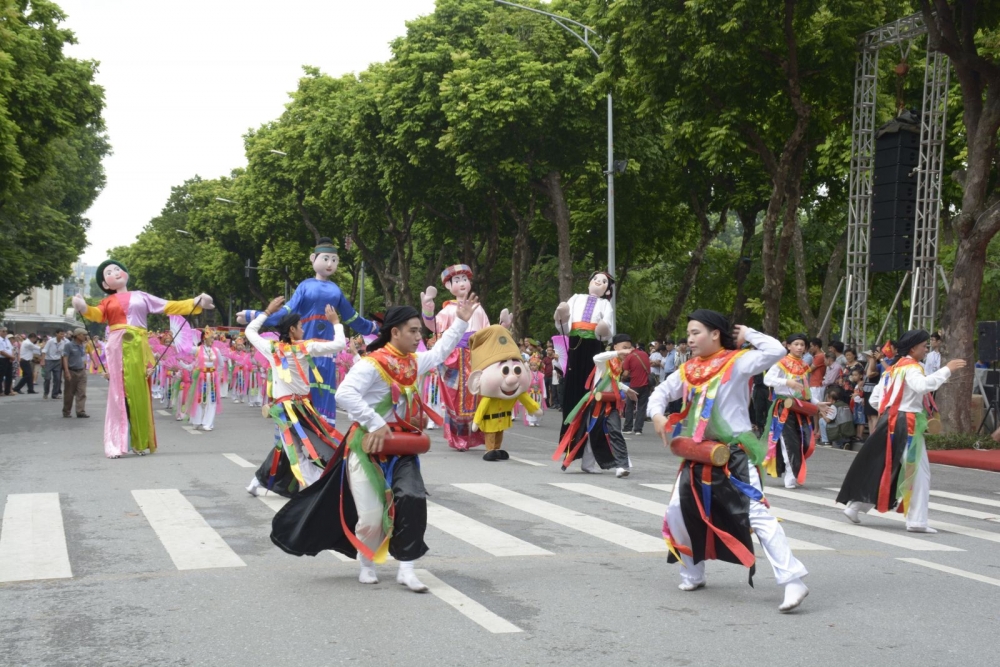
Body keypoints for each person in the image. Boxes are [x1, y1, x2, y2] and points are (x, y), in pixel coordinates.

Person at [269, 297, 478, 593]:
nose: (420, 337)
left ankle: (407, 567)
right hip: (366, 447)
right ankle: (366, 563)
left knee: (413, 497)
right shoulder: (372, 364)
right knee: (369, 516)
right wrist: (375, 421)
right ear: (395, 332)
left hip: (401, 446)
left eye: (421, 332)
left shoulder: (414, 363)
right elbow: (344, 394)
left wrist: (462, 320)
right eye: (414, 331)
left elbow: (443, 350)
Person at [649, 309, 809, 613]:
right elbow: (660, 392)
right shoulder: (689, 369)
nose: (690, 338)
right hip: (699, 453)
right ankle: (693, 573)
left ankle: (793, 579)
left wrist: (747, 333)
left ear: (715, 334)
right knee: (678, 511)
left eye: (696, 332)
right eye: (689, 333)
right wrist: (657, 413)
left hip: (733, 454)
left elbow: (774, 350)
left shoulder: (737, 363)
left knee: (756, 513)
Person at [73, 259, 213, 458]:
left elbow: (168, 306)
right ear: (106, 285)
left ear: (126, 274)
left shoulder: (142, 296)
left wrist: (195, 302)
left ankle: (140, 442)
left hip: (138, 345)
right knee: (118, 393)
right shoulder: (107, 302)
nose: (115, 272)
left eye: (117, 269)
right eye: (109, 272)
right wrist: (83, 307)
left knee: (138, 393)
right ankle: (115, 442)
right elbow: (96, 314)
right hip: (117, 345)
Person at [237, 238, 380, 427]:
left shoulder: (336, 291)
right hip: (302, 350)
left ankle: (323, 436)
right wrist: (253, 314)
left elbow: (352, 318)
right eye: (326, 259)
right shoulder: (305, 286)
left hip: (325, 351)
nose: (330, 264)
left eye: (334, 260)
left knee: (323, 392)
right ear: (313, 258)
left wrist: (376, 327)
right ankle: (298, 432)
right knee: (300, 389)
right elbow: (286, 313)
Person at [837, 330, 966, 532]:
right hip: (908, 423)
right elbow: (922, 386)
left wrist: (890, 410)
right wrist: (946, 370)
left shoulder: (893, 368)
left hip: (889, 420)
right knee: (917, 471)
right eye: (924, 345)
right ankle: (917, 521)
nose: (926, 348)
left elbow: (875, 400)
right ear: (913, 348)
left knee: (886, 465)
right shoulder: (913, 368)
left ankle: (855, 506)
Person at [245, 296, 347, 497]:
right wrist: (335, 323)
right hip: (291, 409)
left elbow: (249, 331)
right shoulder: (304, 347)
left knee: (289, 446)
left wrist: (267, 311)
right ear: (292, 329)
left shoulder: (272, 348)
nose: (303, 329)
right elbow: (340, 344)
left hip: (296, 408)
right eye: (300, 326)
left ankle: (258, 481)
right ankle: (315, 487)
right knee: (302, 447)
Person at [420, 264, 510, 451]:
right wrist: (428, 308)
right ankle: (459, 437)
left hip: (476, 354)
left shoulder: (477, 308)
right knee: (456, 397)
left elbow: (486, 331)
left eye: (464, 279)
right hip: (455, 357)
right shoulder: (448, 310)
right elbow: (433, 326)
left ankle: (483, 434)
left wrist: (501, 327)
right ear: (448, 286)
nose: (462, 283)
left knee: (481, 393)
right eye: (457, 280)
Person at [556, 333, 636, 478]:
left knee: (615, 431)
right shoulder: (605, 361)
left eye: (629, 349)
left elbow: (614, 383)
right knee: (591, 433)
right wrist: (618, 353)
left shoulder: (618, 363)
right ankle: (587, 464)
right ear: (615, 347)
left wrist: (627, 390)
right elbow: (595, 358)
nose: (626, 351)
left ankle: (621, 465)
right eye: (624, 348)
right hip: (596, 402)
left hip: (610, 403)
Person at [554, 272, 616, 449]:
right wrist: (563, 319)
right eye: (596, 279)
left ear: (607, 289)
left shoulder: (605, 304)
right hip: (574, 343)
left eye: (604, 282)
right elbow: (563, 327)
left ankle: (587, 440)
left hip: (593, 345)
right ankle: (568, 440)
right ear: (589, 282)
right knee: (572, 386)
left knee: (590, 386)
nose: (599, 282)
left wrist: (602, 330)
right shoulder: (576, 297)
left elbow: (607, 328)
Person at [763, 333, 819, 489]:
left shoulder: (803, 365)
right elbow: (767, 379)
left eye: (802, 345)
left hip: (800, 407)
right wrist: (786, 381)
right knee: (789, 441)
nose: (800, 347)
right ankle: (790, 472)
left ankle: (794, 470)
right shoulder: (781, 363)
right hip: (784, 406)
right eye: (796, 344)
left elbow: (805, 390)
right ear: (788, 346)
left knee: (807, 442)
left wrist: (817, 403)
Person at [178, 328, 223, 431]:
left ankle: (208, 423)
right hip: (201, 377)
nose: (213, 339)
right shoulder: (198, 349)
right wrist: (179, 342)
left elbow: (221, 364)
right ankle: (197, 421)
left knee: (211, 400)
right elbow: (186, 349)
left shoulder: (216, 350)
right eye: (211, 337)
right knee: (198, 399)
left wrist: (214, 372)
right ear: (204, 338)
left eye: (213, 337)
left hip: (212, 377)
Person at [622, 339, 652, 435]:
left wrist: (621, 378)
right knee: (642, 407)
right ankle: (638, 429)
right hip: (646, 385)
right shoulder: (645, 354)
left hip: (634, 386)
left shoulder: (629, 357)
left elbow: (626, 373)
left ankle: (628, 428)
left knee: (629, 406)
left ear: (631, 347)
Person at [61, 328, 91, 418]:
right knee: (69, 393)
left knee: (82, 392)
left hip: (81, 371)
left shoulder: (83, 345)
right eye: (83, 335)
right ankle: (66, 411)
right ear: (78, 335)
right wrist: (66, 371)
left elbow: (83, 357)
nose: (85, 337)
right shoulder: (68, 345)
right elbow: (65, 358)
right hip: (71, 371)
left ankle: (80, 411)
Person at [42, 330, 67, 399]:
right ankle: (46, 392)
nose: (62, 336)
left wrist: (62, 364)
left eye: (63, 334)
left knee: (58, 379)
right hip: (49, 360)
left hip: (58, 361)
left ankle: (54, 394)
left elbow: (62, 354)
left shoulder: (63, 343)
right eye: (61, 334)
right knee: (47, 378)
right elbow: (44, 350)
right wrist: (43, 361)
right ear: (56, 334)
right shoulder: (50, 341)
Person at [0, 327, 13, 396]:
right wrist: (10, 356)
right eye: (3, 331)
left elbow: (11, 348)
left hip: (9, 359)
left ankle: (7, 391)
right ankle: (0, 391)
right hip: (2, 359)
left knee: (9, 375)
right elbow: (1, 352)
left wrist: (12, 356)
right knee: (1, 375)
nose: (5, 332)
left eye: (6, 331)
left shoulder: (7, 339)